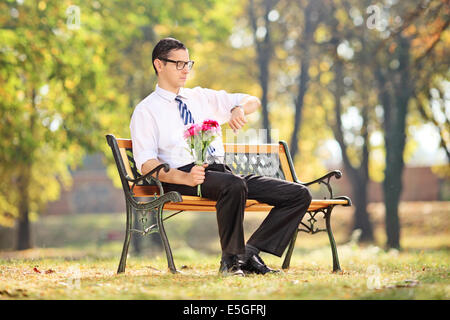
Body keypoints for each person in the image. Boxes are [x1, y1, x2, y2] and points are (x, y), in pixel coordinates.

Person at [130, 37, 312, 277]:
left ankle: (249, 252)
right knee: (233, 185)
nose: (185, 70)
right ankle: (230, 261)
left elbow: (253, 101)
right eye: (178, 64)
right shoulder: (146, 110)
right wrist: (185, 177)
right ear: (159, 65)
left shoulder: (201, 97)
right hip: (180, 176)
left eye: (188, 63)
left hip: (220, 174)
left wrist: (237, 108)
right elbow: (146, 164)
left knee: (298, 194)